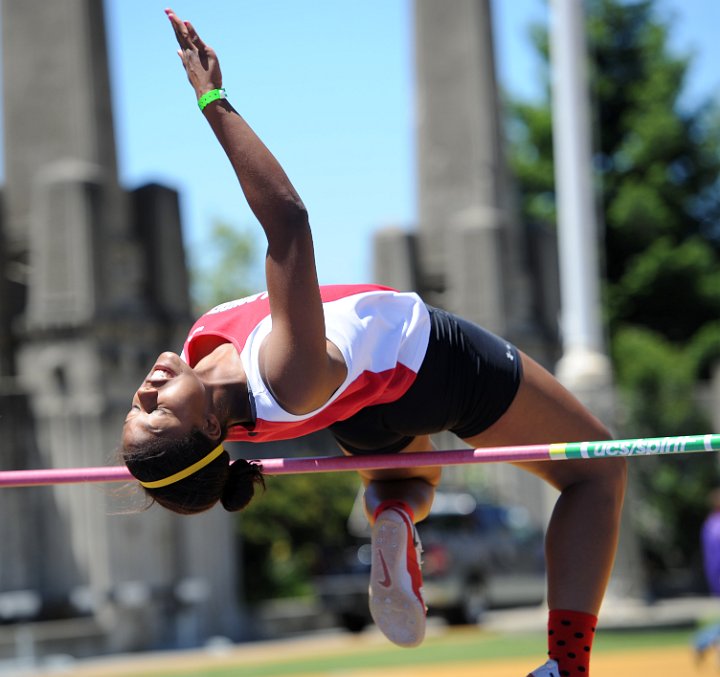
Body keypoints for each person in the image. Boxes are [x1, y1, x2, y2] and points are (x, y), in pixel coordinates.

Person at [122, 9, 627, 675]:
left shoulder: (207, 354)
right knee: (596, 471)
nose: (145, 390)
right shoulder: (282, 375)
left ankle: (392, 512)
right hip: (433, 362)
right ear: (212, 424)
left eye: (135, 406)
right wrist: (213, 98)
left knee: (412, 480)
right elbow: (290, 226)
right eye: (157, 411)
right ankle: (566, 665)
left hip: (367, 406)